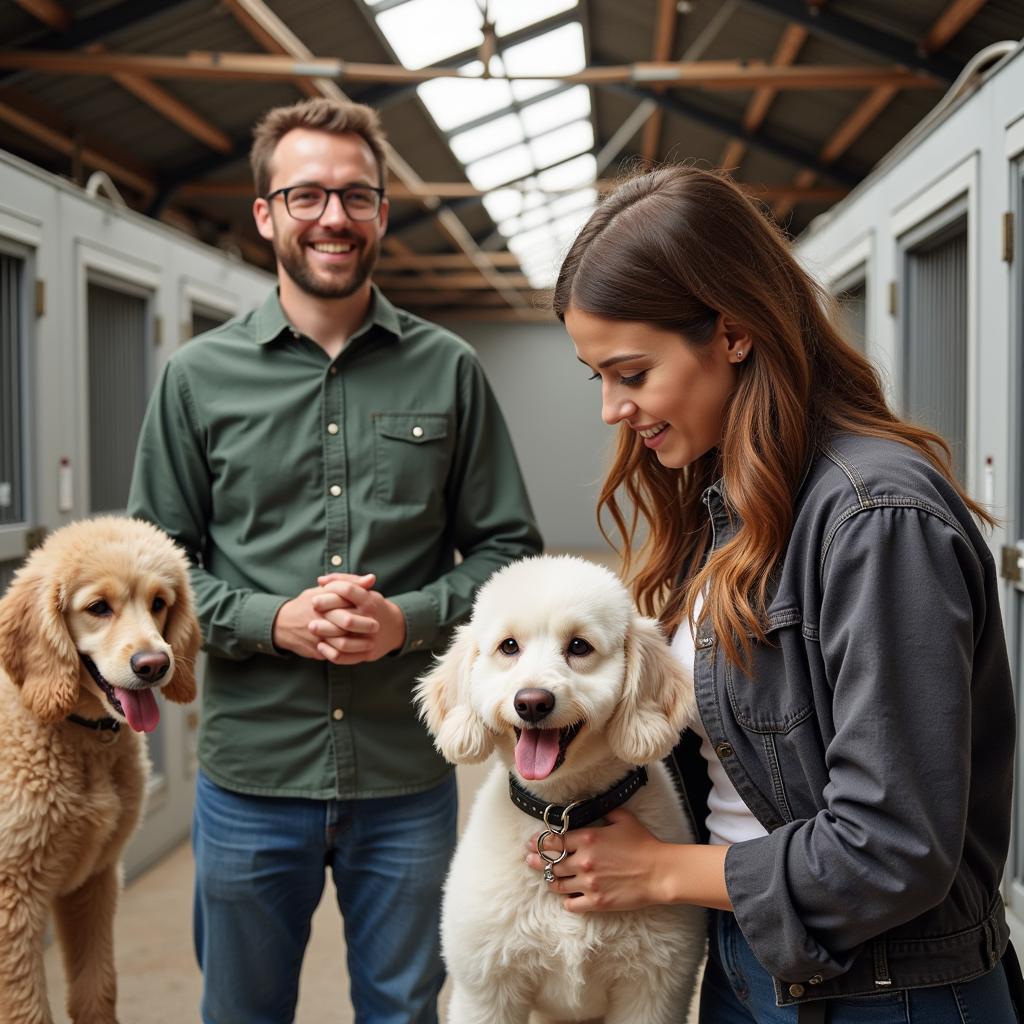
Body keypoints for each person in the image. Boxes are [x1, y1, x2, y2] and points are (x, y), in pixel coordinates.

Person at [525, 165, 1020, 1023]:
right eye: (596, 377)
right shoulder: (727, 502)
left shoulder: (875, 516)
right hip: (751, 960)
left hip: (884, 992)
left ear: (735, 332)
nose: (612, 408)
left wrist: (659, 870)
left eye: (633, 373)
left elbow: (895, 845)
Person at [128, 96, 542, 1024]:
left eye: (357, 196)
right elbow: (148, 571)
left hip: (407, 771)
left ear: (383, 213)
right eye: (306, 195)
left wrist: (413, 617)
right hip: (251, 776)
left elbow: (509, 551)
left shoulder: (449, 370)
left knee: (404, 1009)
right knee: (243, 1010)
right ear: (267, 213)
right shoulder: (197, 377)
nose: (333, 218)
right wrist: (267, 619)